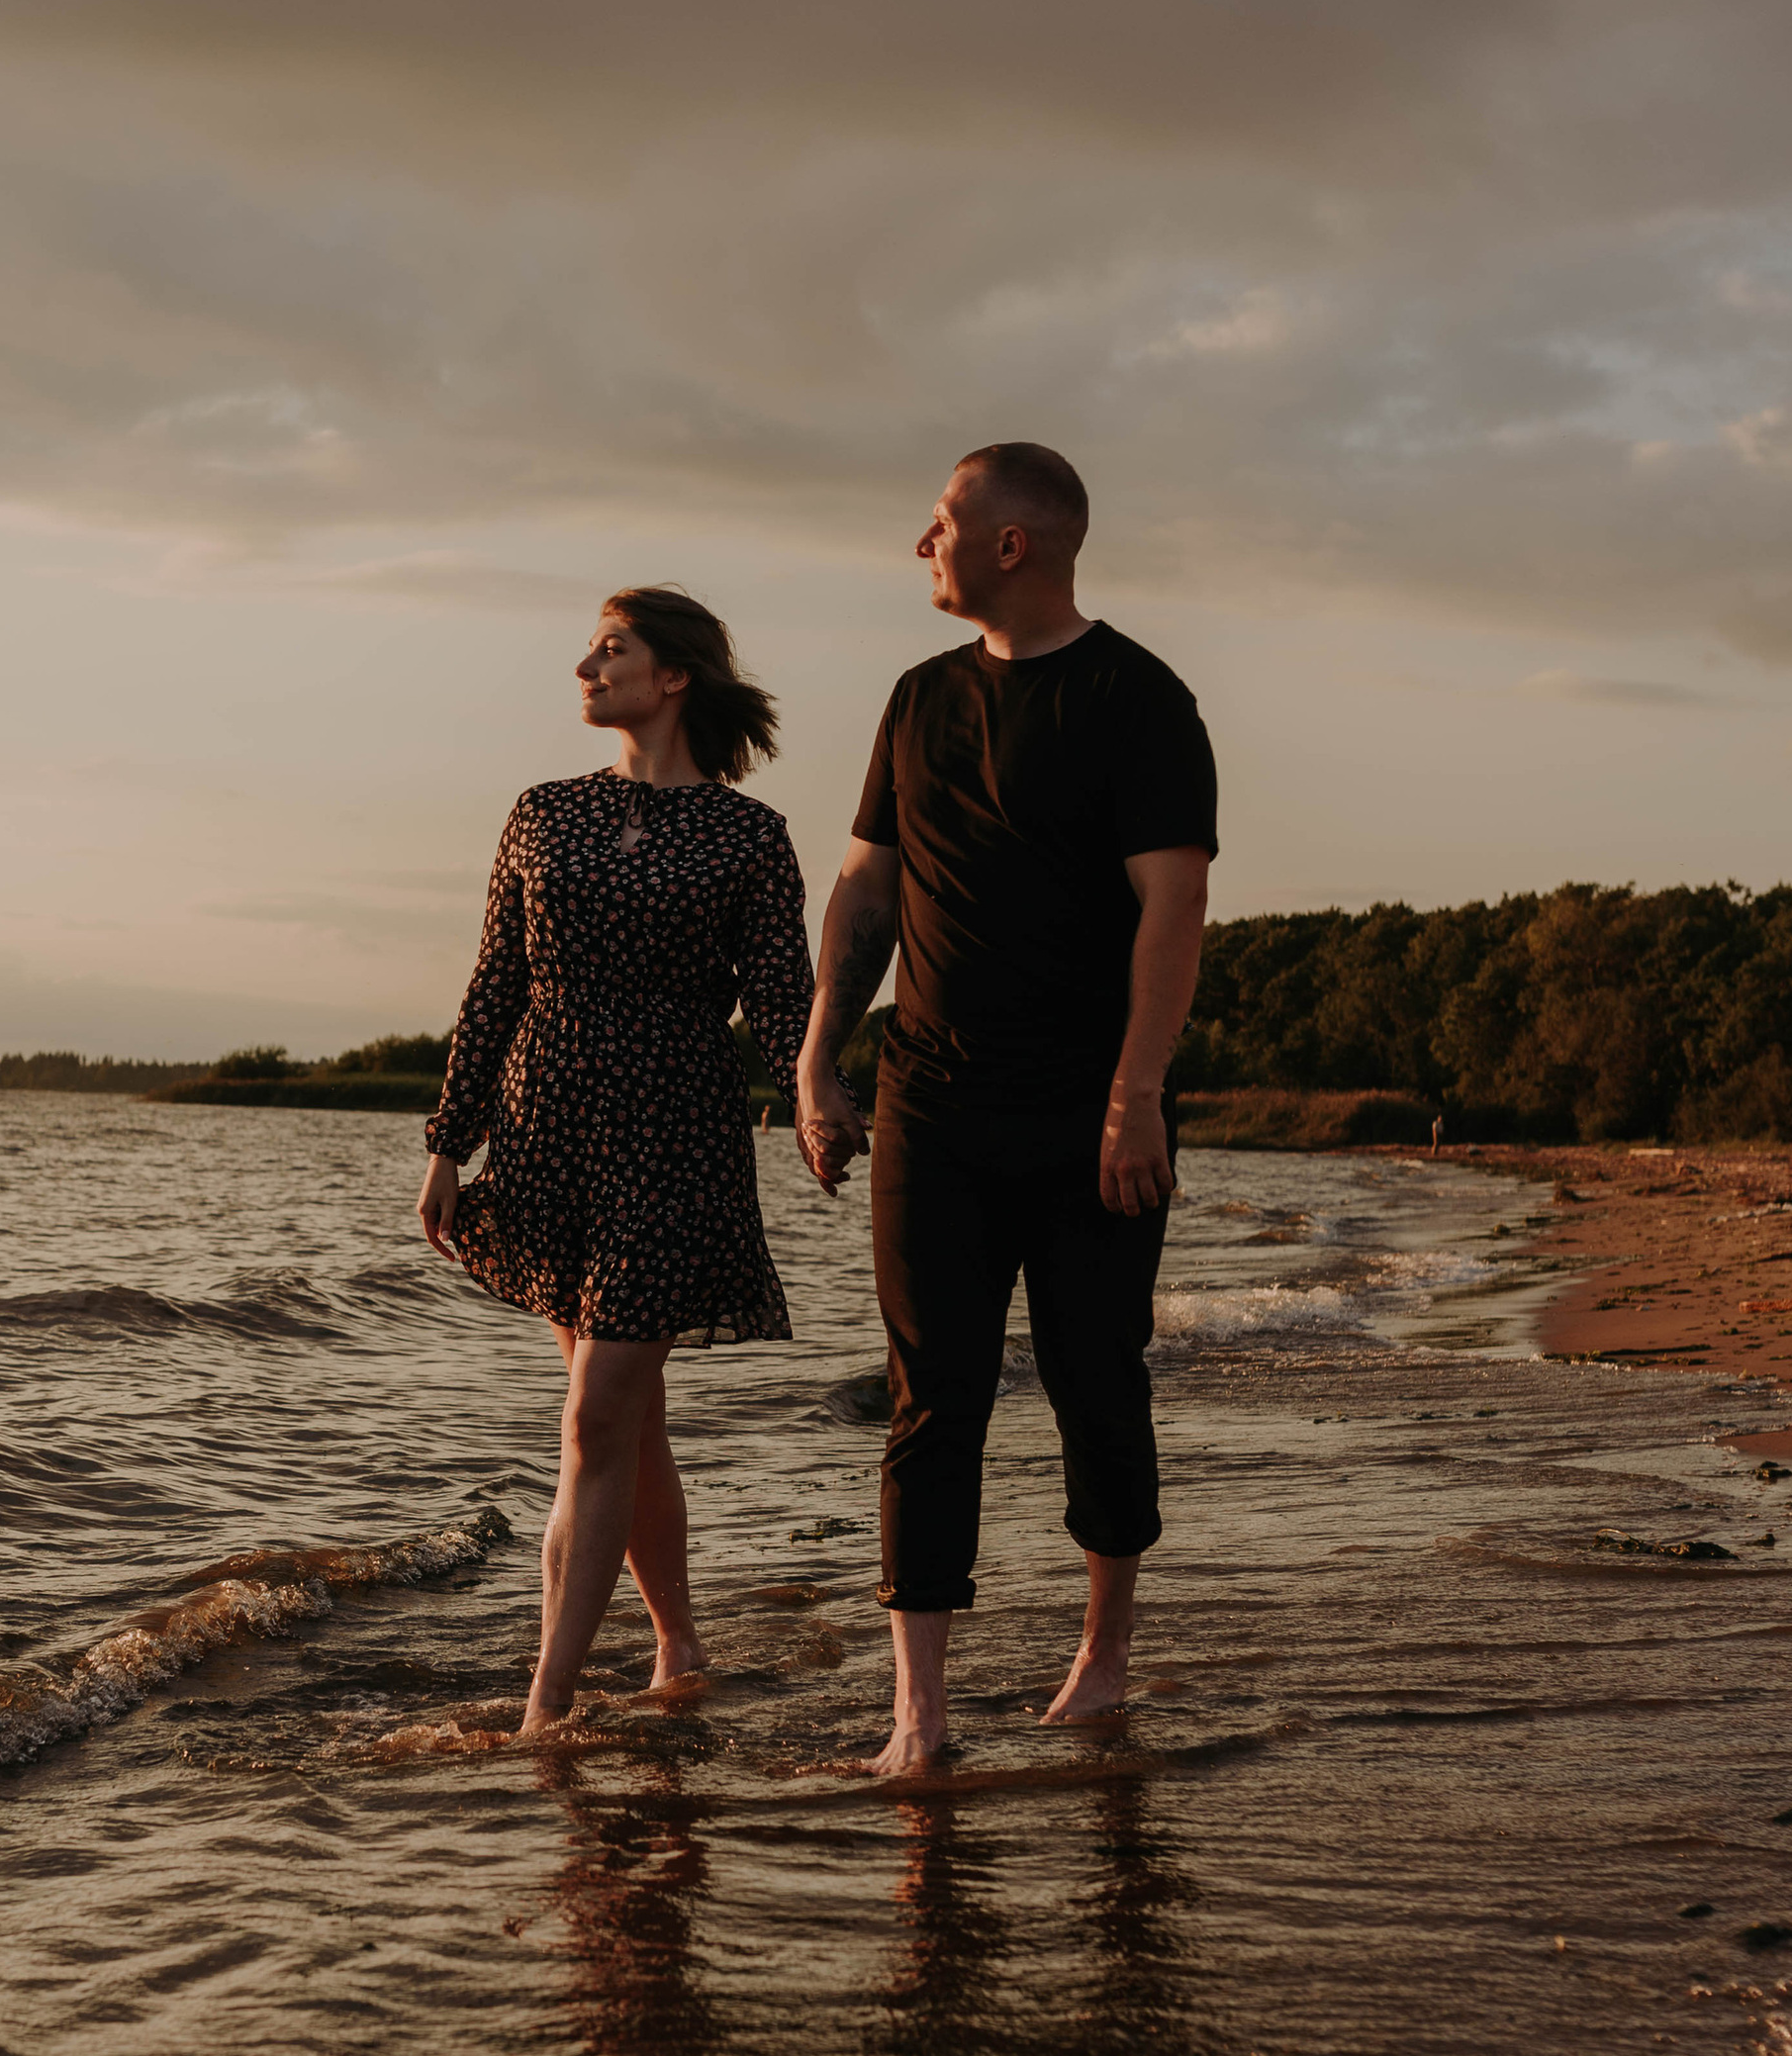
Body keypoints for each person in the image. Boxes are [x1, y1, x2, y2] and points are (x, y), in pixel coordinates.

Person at [794, 443, 1217, 1779]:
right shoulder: (916, 700)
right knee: (934, 1395)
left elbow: (1175, 905)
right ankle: (918, 1717)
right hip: (931, 1098)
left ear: (1011, 543)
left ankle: (1101, 1660)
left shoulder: (1137, 697)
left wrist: (1137, 1093)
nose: (920, 544)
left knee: (1097, 1381)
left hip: (1092, 1105)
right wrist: (817, 1058)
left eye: (939, 524)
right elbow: (865, 897)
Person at [419, 591, 825, 1736]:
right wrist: (450, 1142)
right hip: (545, 1133)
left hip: (675, 1141)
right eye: (594, 646)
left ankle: (547, 1701)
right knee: (627, 1419)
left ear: (676, 676)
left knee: (597, 1413)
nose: (587, 664)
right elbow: (494, 982)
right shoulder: (542, 813)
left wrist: (819, 1100)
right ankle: (679, 1638)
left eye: (613, 646)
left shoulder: (749, 837)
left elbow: (783, 1006)